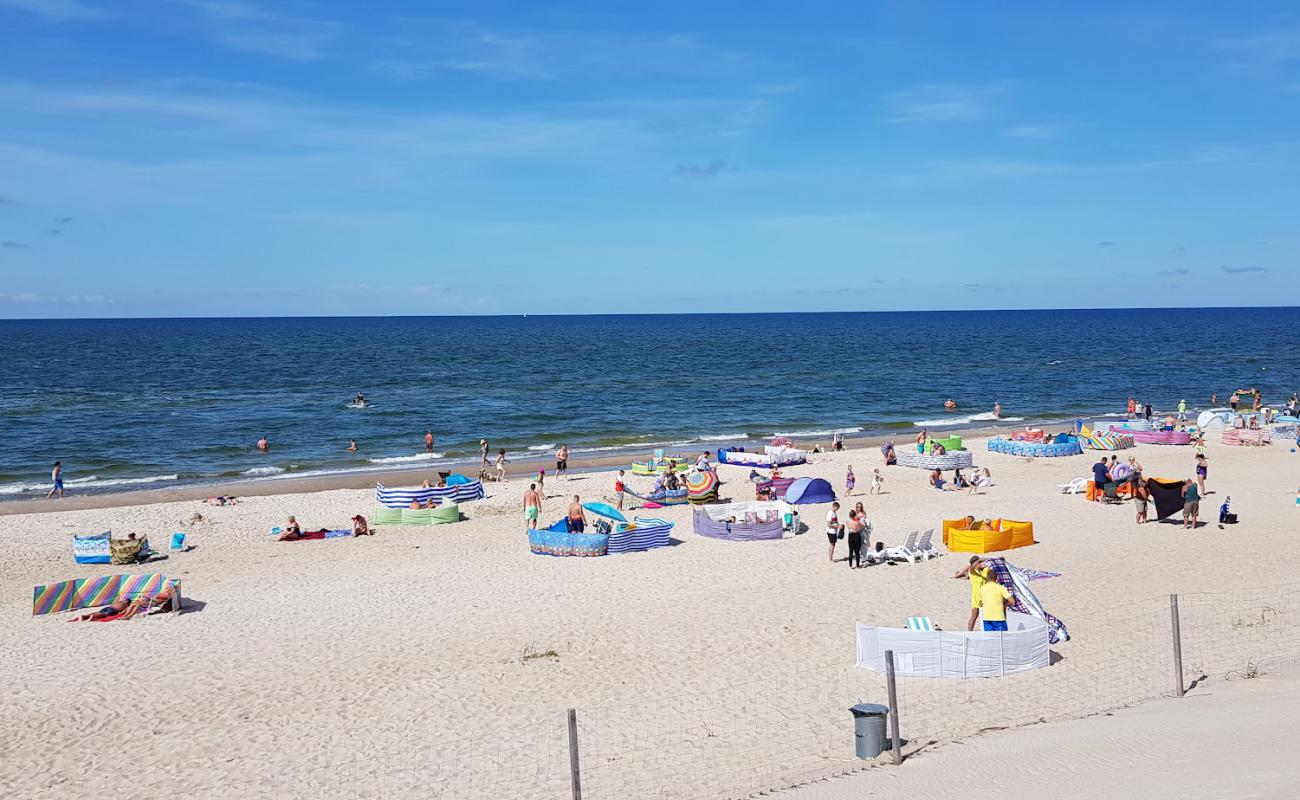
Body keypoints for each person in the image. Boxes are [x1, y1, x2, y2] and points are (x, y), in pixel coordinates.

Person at [954, 556, 991, 631]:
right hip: (976, 598)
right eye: (979, 563)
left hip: (986, 597)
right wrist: (978, 560)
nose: (980, 564)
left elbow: (990, 562)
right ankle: (969, 632)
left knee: (987, 616)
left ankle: (987, 631)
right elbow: (970, 566)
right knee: (974, 616)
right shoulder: (972, 572)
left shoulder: (984, 571)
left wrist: (981, 560)